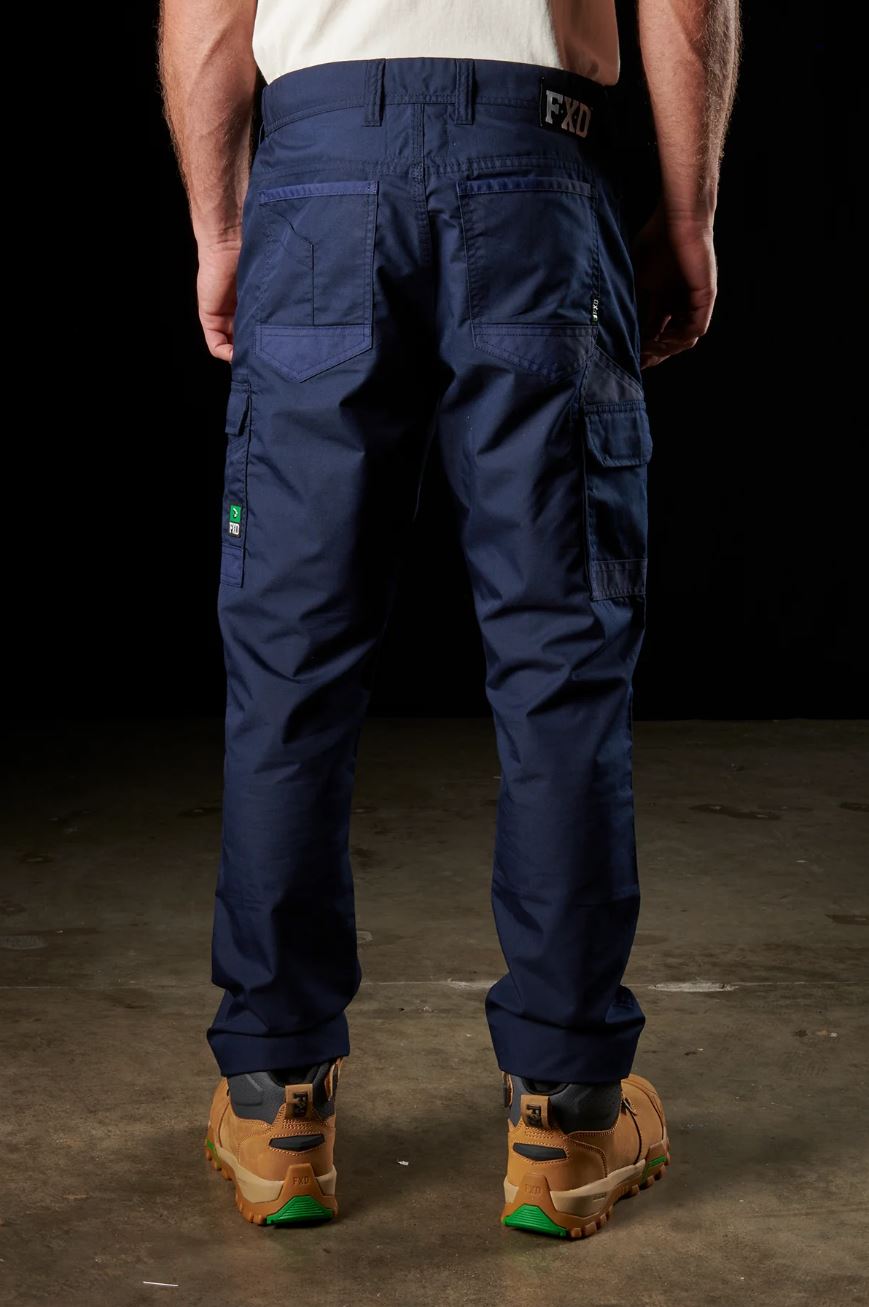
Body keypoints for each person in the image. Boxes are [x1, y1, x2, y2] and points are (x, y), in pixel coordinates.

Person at [159, 0, 739, 1236]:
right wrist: (687, 215)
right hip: (533, 171)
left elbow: (208, 12)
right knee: (559, 658)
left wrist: (222, 226)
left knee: (290, 660)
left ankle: (275, 1102)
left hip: (317, 177)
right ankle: (565, 1118)